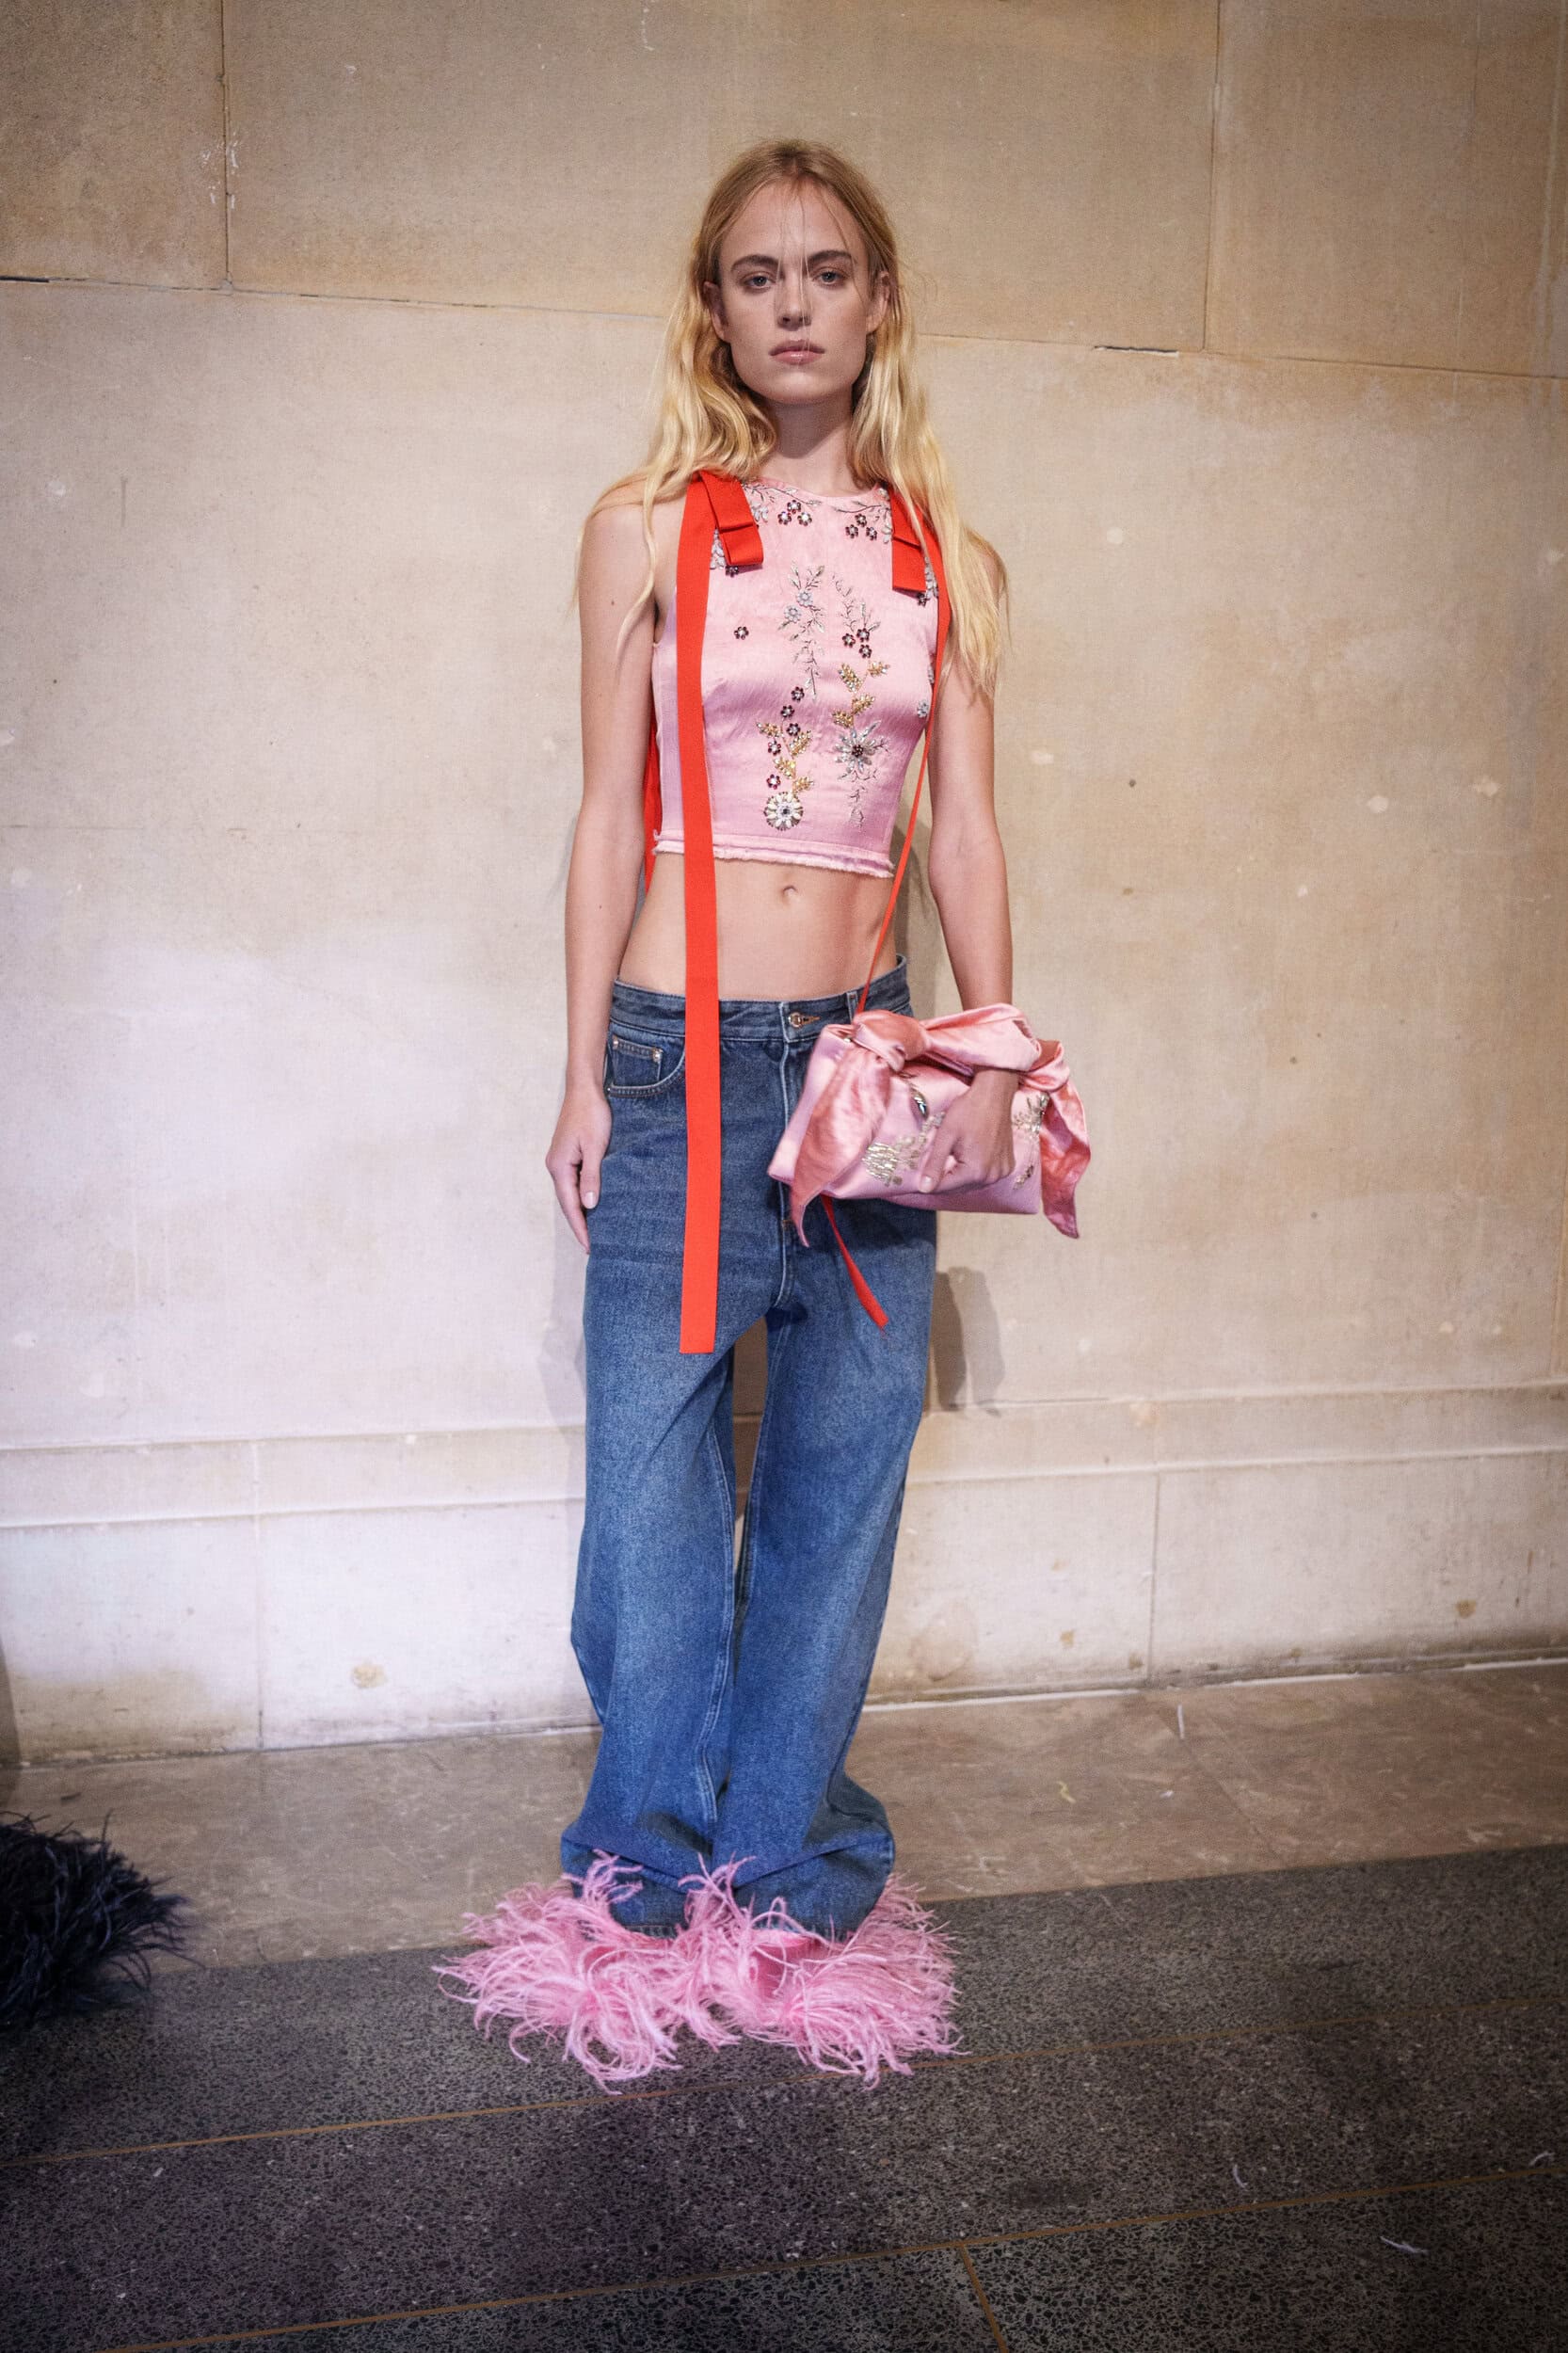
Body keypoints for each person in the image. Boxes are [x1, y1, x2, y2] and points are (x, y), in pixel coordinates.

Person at [433, 137, 1012, 2094]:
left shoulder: (946, 556)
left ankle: (784, 1866)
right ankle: (645, 1859)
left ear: (877, 301)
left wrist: (985, 1049)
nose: (792, 305)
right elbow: (607, 812)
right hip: (677, 1055)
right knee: (652, 1485)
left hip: (863, 1062)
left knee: (840, 1477)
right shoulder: (643, 530)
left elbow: (966, 827)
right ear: (713, 309)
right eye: (756, 275)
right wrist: (579, 1067)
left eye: (825, 271)